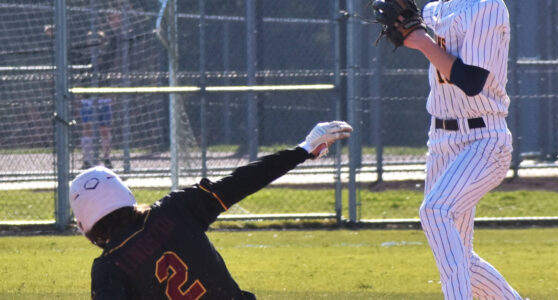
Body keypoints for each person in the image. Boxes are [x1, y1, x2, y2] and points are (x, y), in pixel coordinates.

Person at [69, 121, 352, 300]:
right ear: (125, 196)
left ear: (86, 224)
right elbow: (242, 180)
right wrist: (302, 149)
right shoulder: (175, 209)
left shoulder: (109, 267)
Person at [372, 0, 521, 299]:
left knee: (435, 211)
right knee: (461, 260)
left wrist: (422, 42)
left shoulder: (487, 6)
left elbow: (471, 80)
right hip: (440, 140)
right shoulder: (434, 9)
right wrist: (409, 28)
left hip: (483, 139)